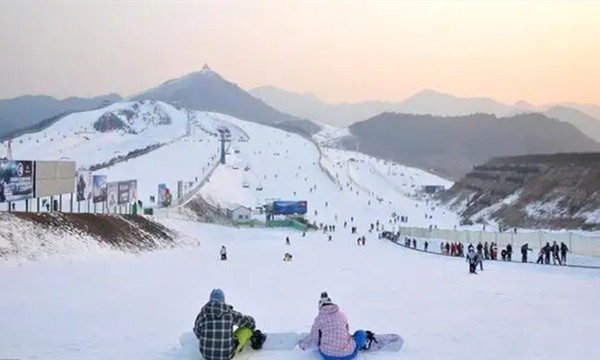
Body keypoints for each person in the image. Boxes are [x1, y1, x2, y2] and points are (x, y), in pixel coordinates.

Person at [193, 289, 265, 360]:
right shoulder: (229, 313)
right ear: (223, 300)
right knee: (246, 329)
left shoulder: (202, 314)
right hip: (227, 356)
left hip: (206, 355)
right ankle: (255, 339)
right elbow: (249, 323)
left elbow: (197, 332)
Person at [298, 292, 368, 360]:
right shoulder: (342, 315)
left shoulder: (318, 319)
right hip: (348, 355)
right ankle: (363, 344)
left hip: (327, 355)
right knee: (361, 333)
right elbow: (347, 332)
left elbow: (315, 339)